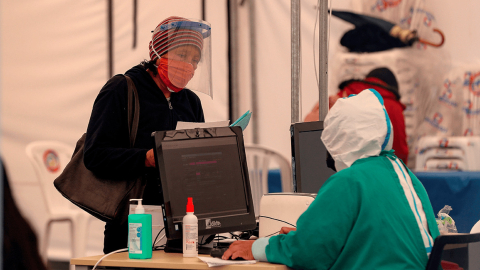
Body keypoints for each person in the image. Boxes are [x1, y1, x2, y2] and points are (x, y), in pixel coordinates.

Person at [223, 89, 440, 269]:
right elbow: (376, 237)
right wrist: (310, 234)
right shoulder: (405, 175)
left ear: (338, 138)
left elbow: (307, 252)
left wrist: (255, 247)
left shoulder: (349, 180)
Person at [83, 16, 212, 253]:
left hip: (181, 224)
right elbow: (95, 155)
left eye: (195, 60)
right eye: (182, 55)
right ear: (158, 52)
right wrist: (147, 158)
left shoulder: (190, 102)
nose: (189, 66)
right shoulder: (122, 89)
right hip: (131, 223)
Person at [304, 67, 409, 164]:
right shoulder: (394, 108)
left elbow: (306, 128)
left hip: (318, 164)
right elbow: (400, 153)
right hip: (371, 172)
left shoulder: (337, 98)